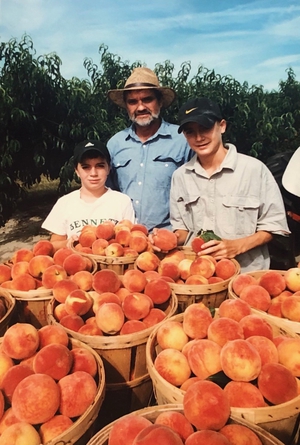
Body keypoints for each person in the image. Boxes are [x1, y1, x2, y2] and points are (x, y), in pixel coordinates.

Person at [170, 97, 290, 272]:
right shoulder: (180, 176)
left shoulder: (254, 170)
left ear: (222, 126)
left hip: (247, 275)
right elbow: (182, 230)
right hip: (200, 277)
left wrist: (237, 246)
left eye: (205, 128)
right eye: (190, 132)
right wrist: (165, 239)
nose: (198, 137)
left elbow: (274, 226)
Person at [107, 67, 192, 232]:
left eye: (147, 99)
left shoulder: (182, 139)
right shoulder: (115, 144)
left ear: (159, 102)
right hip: (125, 240)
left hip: (170, 239)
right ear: (126, 106)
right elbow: (108, 192)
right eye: (132, 102)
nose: (140, 107)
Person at [42, 140, 135, 251]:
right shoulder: (64, 203)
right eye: (86, 167)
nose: (93, 173)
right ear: (76, 170)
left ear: (109, 168)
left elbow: (132, 241)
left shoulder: (122, 201)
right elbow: (53, 245)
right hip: (77, 265)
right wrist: (68, 243)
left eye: (100, 166)